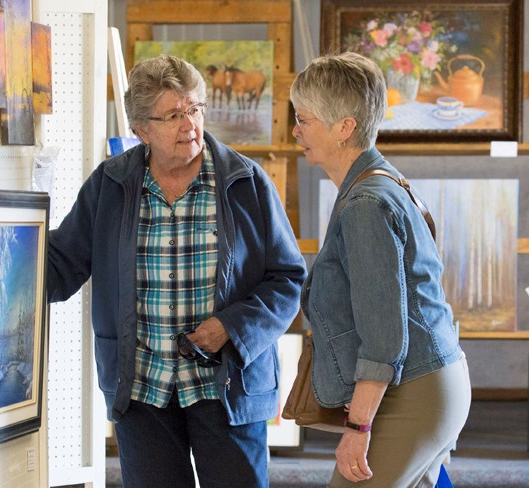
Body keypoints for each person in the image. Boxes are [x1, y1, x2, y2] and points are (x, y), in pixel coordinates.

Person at [47, 54, 305, 488]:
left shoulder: (246, 182)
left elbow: (287, 279)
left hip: (227, 388)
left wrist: (231, 326)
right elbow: (62, 264)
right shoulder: (109, 185)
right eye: (172, 116)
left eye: (194, 109)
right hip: (143, 387)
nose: (189, 125)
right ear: (142, 129)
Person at [290, 51, 471, 487]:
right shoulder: (380, 183)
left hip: (415, 391)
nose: (296, 131)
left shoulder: (366, 204)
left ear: (344, 127)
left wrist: (358, 429)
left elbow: (385, 336)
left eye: (305, 119)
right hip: (435, 380)